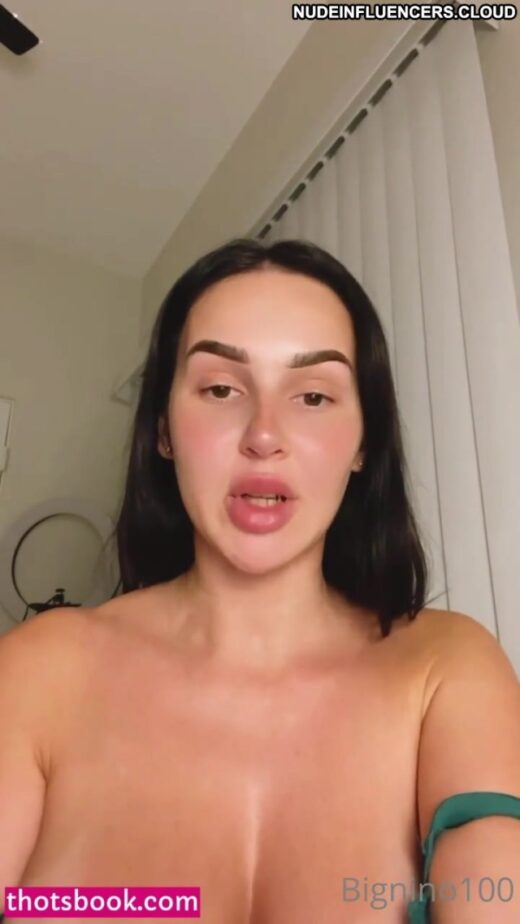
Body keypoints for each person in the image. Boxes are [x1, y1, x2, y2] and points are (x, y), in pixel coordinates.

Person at [0, 238, 518, 924]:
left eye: (314, 395)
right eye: (221, 389)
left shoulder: (445, 668)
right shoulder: (39, 670)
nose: (264, 434)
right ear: (162, 429)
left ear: (364, 443)